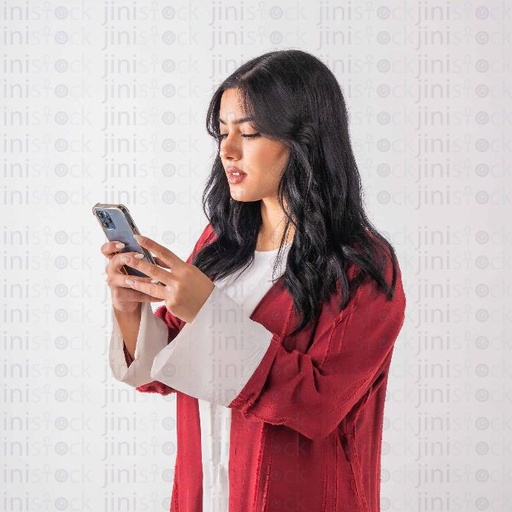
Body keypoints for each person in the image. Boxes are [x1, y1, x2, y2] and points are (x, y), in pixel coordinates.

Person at [101, 49, 406, 512]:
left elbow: (317, 404)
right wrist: (130, 307)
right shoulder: (221, 245)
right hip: (207, 494)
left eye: (250, 132)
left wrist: (206, 313)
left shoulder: (362, 267)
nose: (227, 149)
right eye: (222, 133)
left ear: (304, 139)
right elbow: (166, 371)